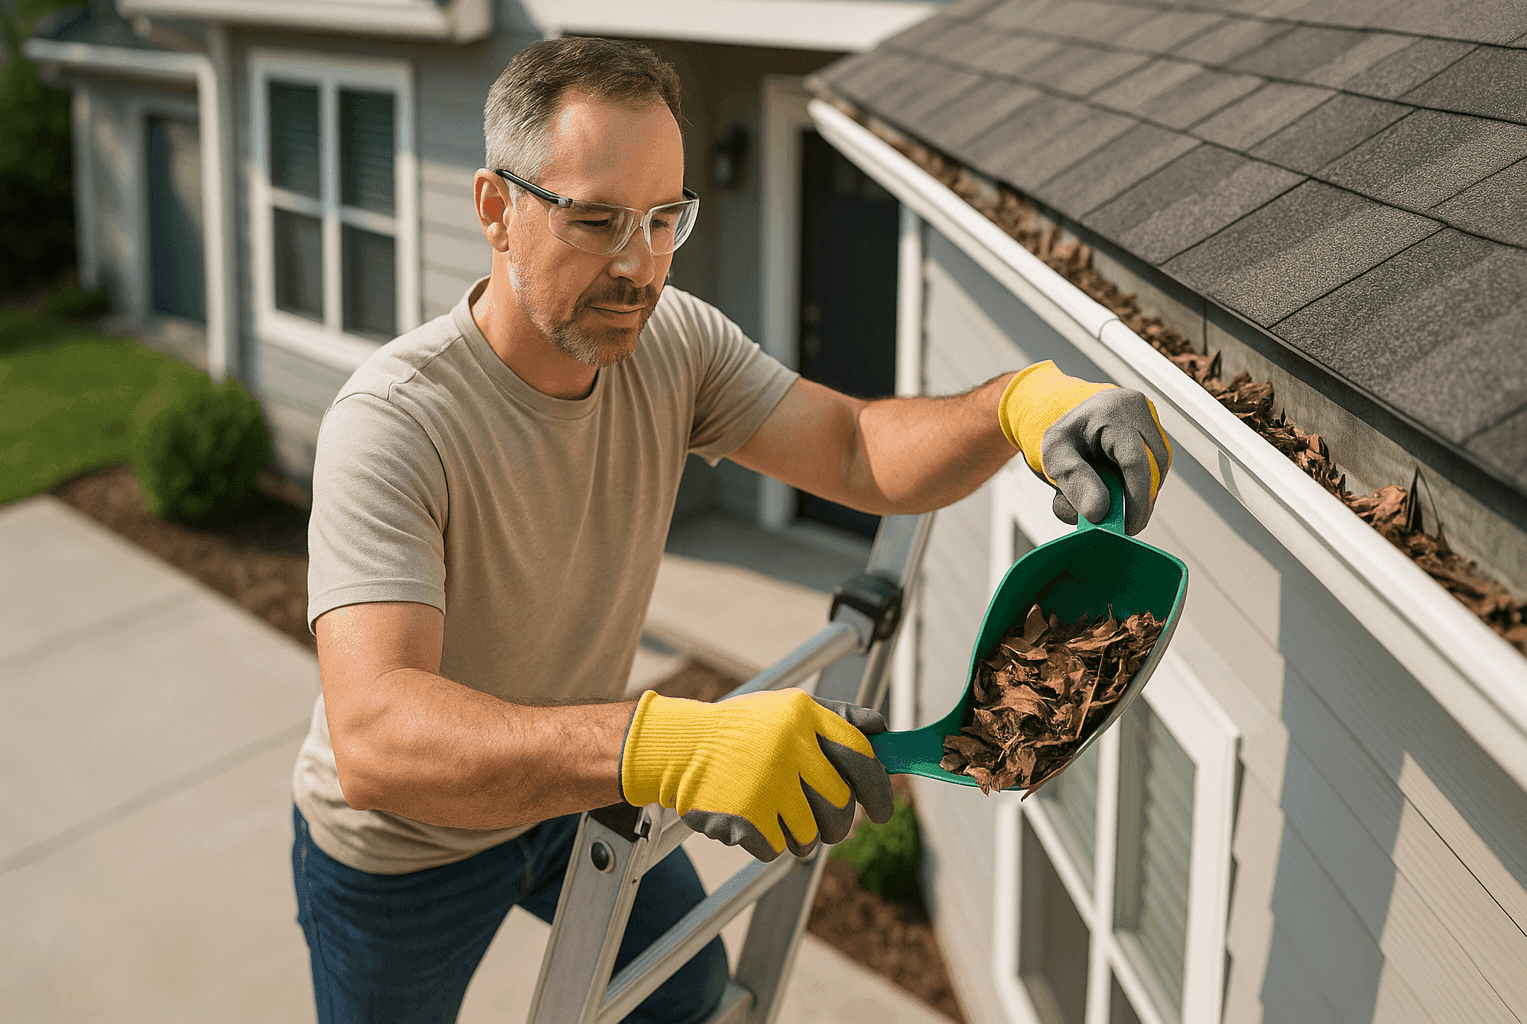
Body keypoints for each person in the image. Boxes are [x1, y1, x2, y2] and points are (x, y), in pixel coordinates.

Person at [289, 36, 1172, 1024]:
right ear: (497, 210)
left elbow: (850, 447)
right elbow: (377, 735)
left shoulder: (673, 343)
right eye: (597, 220)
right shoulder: (394, 421)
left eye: (667, 218)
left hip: (572, 783)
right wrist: (666, 743)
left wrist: (1017, 403)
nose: (641, 264)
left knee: (689, 990)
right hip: (403, 852)